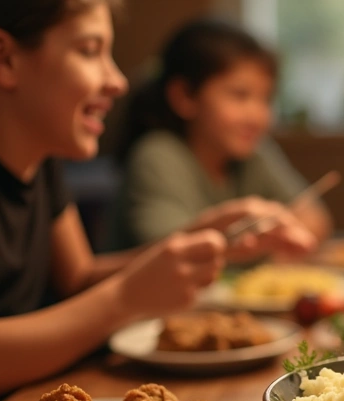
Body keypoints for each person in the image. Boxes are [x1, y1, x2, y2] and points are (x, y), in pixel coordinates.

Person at [0, 0, 315, 401]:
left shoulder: (38, 161)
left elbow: (78, 280)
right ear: (2, 59)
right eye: (90, 51)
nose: (118, 81)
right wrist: (124, 299)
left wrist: (207, 237)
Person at [110, 18, 332, 251]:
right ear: (184, 96)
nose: (258, 116)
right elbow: (172, 257)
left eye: (266, 99)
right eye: (239, 95)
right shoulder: (157, 157)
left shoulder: (254, 153)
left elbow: (316, 220)